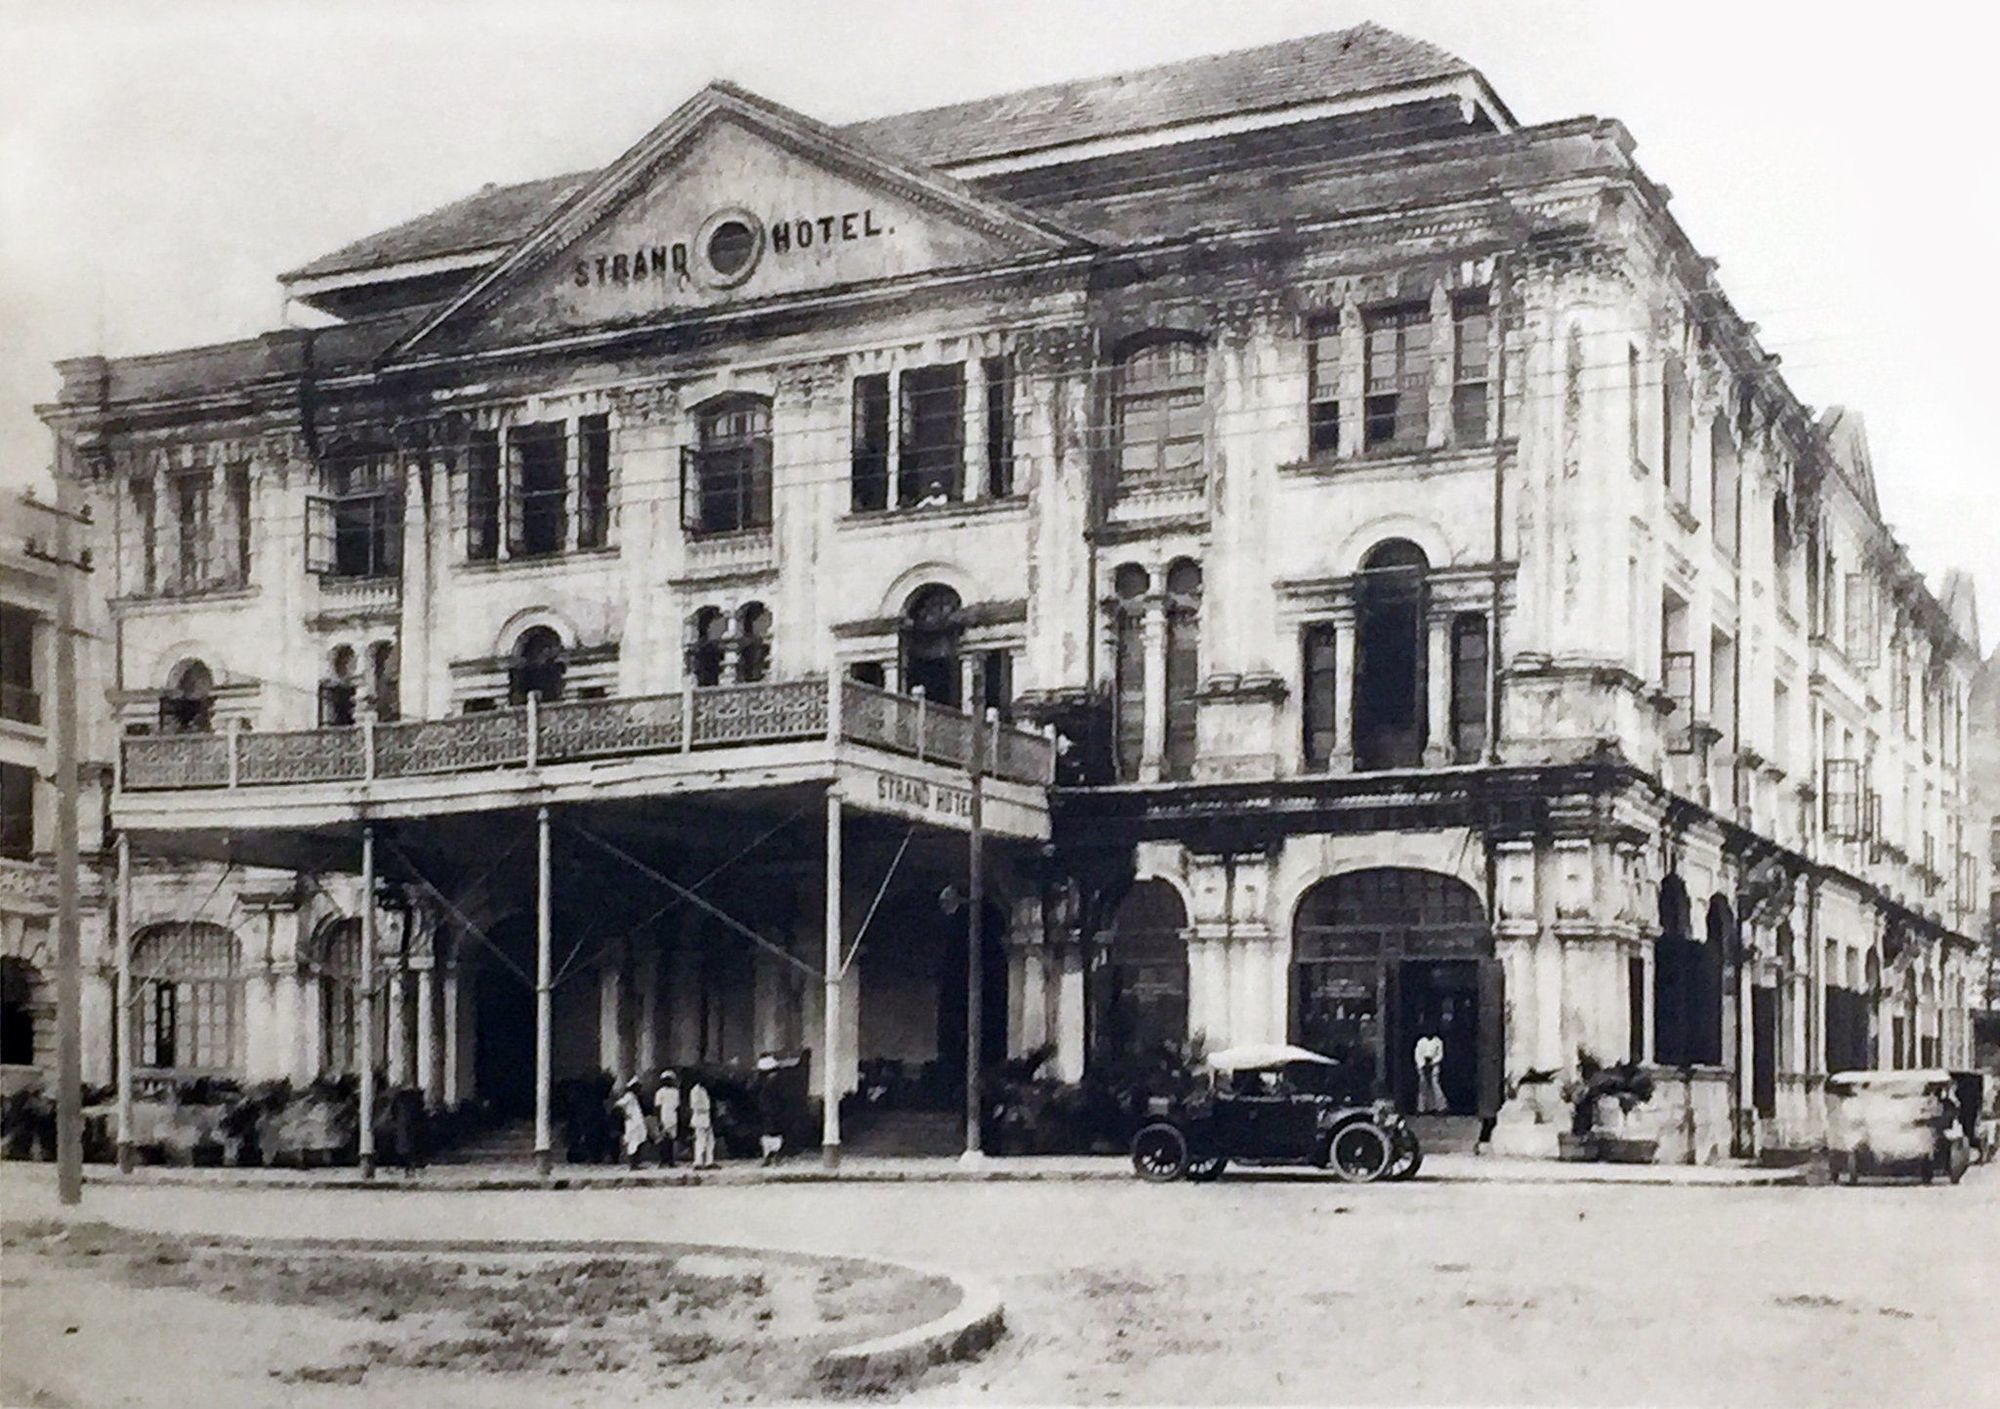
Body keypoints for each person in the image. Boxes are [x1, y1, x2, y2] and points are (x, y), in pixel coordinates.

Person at [754, 1053, 786, 1167]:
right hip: (773, 1109)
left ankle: (770, 1155)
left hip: (768, 1109)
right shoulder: (777, 1080)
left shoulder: (763, 1081)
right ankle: (773, 1155)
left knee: (769, 1132)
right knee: (773, 1132)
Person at [614, 1078, 651, 1171]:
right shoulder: (629, 1096)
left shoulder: (634, 1097)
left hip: (637, 1123)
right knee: (633, 1143)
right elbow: (618, 1105)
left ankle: (636, 1163)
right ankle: (632, 1164)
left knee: (638, 1142)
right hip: (632, 1123)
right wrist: (625, 1115)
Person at [652, 1069, 680, 1168]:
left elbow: (677, 1106)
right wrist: (659, 1121)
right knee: (663, 1141)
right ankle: (663, 1161)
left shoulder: (676, 1092)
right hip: (664, 1117)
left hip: (673, 1118)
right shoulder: (660, 1092)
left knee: (671, 1140)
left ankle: (671, 1161)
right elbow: (657, 1108)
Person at [688, 1074, 717, 1170]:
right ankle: (698, 1162)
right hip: (700, 1117)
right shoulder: (696, 1090)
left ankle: (709, 1161)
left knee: (710, 1141)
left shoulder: (703, 1090)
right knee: (700, 1141)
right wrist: (707, 1109)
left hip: (705, 1118)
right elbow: (695, 1105)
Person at [1414, 1031, 1447, 1114]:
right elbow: (1418, 1054)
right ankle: (1421, 1108)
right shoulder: (1421, 1041)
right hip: (1422, 1067)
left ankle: (1441, 1107)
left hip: (1434, 1066)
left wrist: (1432, 1062)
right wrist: (1423, 1064)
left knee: (1435, 1085)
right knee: (1423, 1087)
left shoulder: (1438, 1041)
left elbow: (1440, 1055)